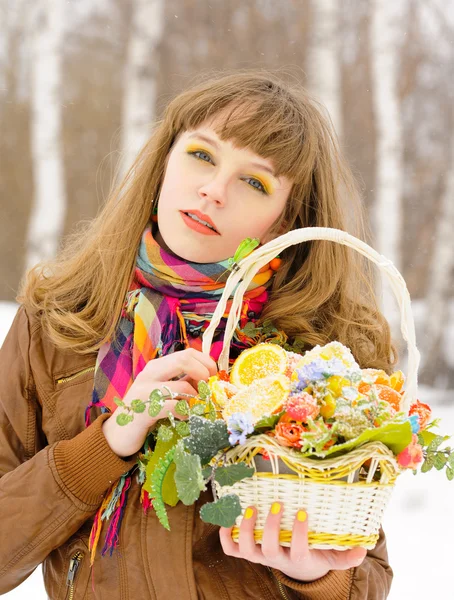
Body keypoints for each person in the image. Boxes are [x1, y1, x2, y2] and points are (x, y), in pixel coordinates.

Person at [0, 70, 395, 599]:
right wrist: (107, 443)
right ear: (166, 160)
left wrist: (318, 576)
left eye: (254, 182)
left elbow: (366, 577)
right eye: (202, 155)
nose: (213, 190)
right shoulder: (60, 321)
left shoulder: (317, 359)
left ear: (284, 221)